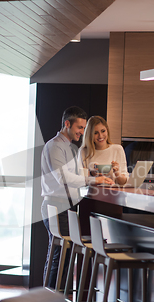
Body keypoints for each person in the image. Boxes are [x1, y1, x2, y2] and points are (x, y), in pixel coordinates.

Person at [40, 106, 113, 289]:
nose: (82, 132)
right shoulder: (56, 146)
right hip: (56, 206)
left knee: (61, 255)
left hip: (64, 206)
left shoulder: (70, 148)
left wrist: (95, 173)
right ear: (67, 124)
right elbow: (63, 178)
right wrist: (93, 180)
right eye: (80, 127)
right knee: (60, 255)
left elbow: (78, 173)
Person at [78, 116, 129, 185]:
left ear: (107, 130)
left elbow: (123, 182)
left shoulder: (117, 149)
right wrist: (92, 175)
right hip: (92, 194)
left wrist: (117, 172)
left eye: (103, 131)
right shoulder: (83, 151)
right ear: (90, 135)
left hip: (114, 193)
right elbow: (80, 180)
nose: (100, 136)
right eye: (95, 133)